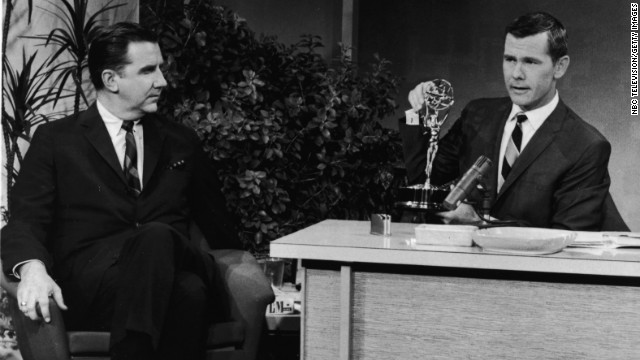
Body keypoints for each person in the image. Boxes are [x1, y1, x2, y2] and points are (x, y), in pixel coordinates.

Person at [1, 22, 240, 360]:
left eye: (160, 68)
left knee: (159, 239)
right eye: (148, 71)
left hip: (173, 259)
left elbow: (220, 226)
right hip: (99, 287)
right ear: (111, 80)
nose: (163, 81)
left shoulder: (181, 141)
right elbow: (25, 219)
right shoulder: (57, 141)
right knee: (188, 292)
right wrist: (32, 269)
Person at [401, 11, 628, 231]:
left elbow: (568, 238)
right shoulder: (477, 115)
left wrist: (482, 223)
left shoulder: (585, 146)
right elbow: (424, 182)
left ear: (560, 66)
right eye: (510, 59)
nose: (516, 74)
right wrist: (419, 116)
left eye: (530, 62)